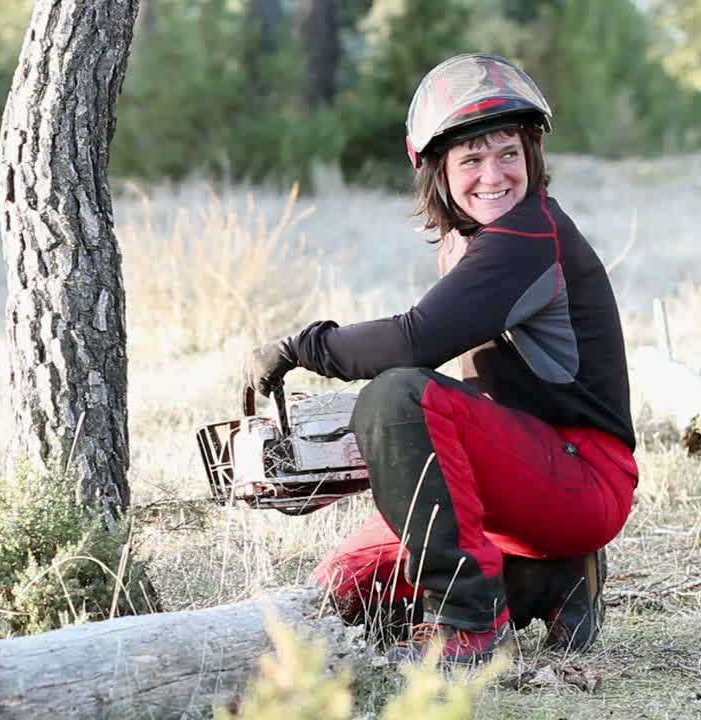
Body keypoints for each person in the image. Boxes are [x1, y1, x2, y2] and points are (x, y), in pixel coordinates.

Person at [243, 53, 638, 665]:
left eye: (508, 153)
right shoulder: (469, 239)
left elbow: (415, 342)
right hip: (527, 467)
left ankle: (473, 627)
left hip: (583, 477)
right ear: (436, 170)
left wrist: (302, 347)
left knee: (397, 393)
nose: (494, 175)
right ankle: (555, 581)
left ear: (531, 153)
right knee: (342, 587)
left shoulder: (528, 235)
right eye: (472, 159)